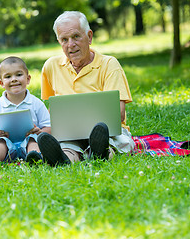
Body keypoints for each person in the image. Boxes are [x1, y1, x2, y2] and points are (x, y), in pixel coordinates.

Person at [37, 11, 135, 166]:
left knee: (111, 143)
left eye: (76, 36)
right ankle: (64, 160)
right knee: (67, 147)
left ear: (89, 37)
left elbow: (119, 113)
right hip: (70, 133)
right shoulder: (51, 66)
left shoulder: (109, 64)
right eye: (64, 40)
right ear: (59, 42)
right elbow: (53, 109)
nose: (71, 45)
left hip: (107, 132)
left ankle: (100, 152)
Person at [0, 56, 51, 168]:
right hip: (7, 146)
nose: (14, 79)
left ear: (28, 79)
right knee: (1, 142)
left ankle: (35, 158)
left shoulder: (36, 103)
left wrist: (39, 132)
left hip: (29, 143)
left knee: (33, 141)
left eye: (19, 75)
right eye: (8, 76)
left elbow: (49, 126)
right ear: (1, 83)